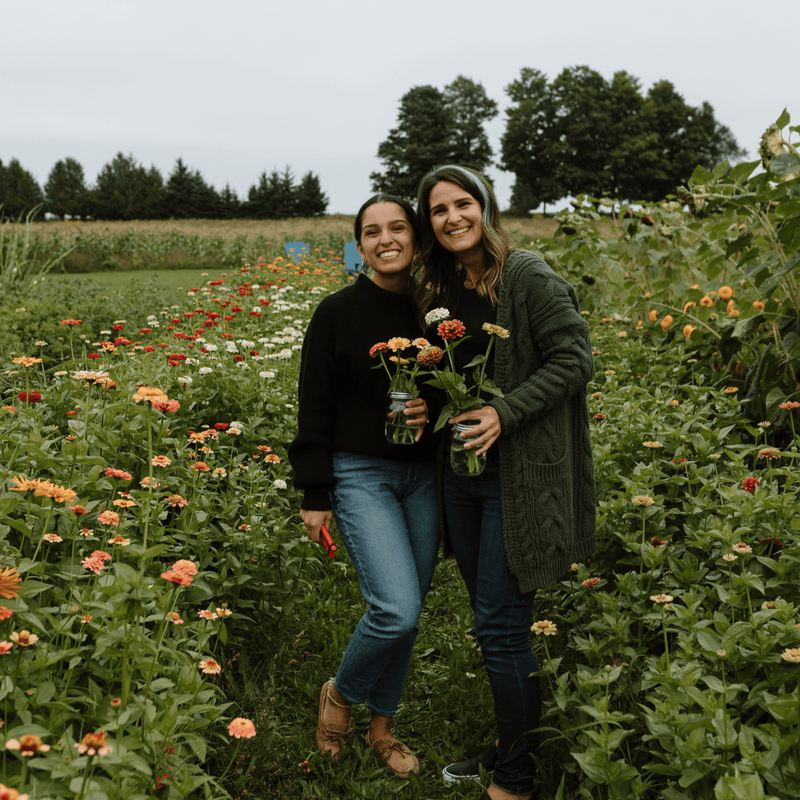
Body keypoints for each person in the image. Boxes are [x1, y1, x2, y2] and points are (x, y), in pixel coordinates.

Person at [414, 165, 596, 800]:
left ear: (486, 209)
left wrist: (503, 412)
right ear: (428, 222)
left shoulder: (526, 275)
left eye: (463, 203)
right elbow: (445, 373)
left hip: (515, 481)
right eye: (439, 210)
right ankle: (512, 738)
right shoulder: (441, 286)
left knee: (500, 625)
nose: (453, 217)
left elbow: (576, 358)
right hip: (461, 477)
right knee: (492, 619)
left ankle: (516, 779)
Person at [287, 194, 439, 778]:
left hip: (424, 475)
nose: (386, 239)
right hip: (360, 474)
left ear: (417, 238)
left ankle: (382, 728)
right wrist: (314, 491)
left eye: (398, 227)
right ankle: (340, 696)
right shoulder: (337, 312)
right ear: (361, 245)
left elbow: (461, 383)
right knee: (395, 609)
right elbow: (314, 405)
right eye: (372, 232)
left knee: (413, 607)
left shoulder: (436, 313)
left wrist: (436, 405)